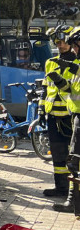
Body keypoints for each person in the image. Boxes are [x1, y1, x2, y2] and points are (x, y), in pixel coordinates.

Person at [41, 25, 75, 197]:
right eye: (57, 42)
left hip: (70, 117)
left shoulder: (77, 63)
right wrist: (41, 109)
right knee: (57, 153)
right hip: (53, 116)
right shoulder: (50, 62)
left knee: (73, 154)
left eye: (62, 42)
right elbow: (46, 88)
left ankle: (73, 190)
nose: (60, 45)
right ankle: (61, 188)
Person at [52, 27, 80, 213]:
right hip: (76, 115)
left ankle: (73, 202)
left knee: (75, 161)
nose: (73, 50)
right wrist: (60, 81)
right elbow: (72, 90)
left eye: (75, 46)